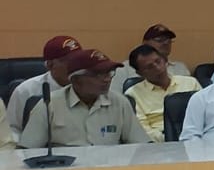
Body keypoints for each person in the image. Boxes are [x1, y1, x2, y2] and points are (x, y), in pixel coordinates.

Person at [17, 48, 151, 147]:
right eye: (98, 74)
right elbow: (27, 150)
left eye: (109, 73)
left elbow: (141, 145)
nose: (107, 79)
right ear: (76, 80)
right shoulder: (49, 104)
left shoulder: (119, 102)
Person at [125, 44, 201, 139]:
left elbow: (206, 113)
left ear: (165, 60)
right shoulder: (133, 94)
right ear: (140, 73)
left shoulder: (190, 83)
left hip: (196, 135)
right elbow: (143, 130)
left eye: (158, 61)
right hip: (159, 143)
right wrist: (171, 141)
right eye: (150, 67)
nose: (158, 68)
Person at [5, 35, 80, 131]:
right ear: (49, 65)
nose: (75, 65)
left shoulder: (89, 87)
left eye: (78, 60)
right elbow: (13, 129)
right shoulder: (26, 91)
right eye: (67, 61)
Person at [111, 24, 191, 90]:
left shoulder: (180, 68)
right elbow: (116, 95)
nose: (165, 43)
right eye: (159, 40)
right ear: (145, 43)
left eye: (169, 40)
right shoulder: (125, 69)